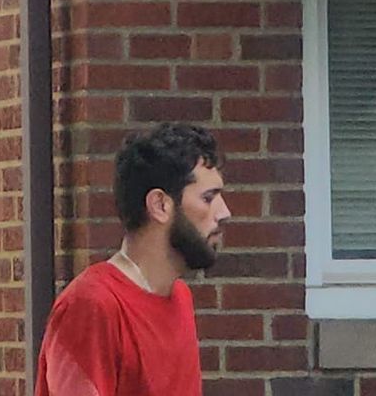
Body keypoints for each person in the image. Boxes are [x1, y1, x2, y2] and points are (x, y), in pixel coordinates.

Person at [34, 122, 231, 396]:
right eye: (209, 198)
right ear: (160, 205)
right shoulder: (91, 306)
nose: (224, 212)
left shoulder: (179, 298)